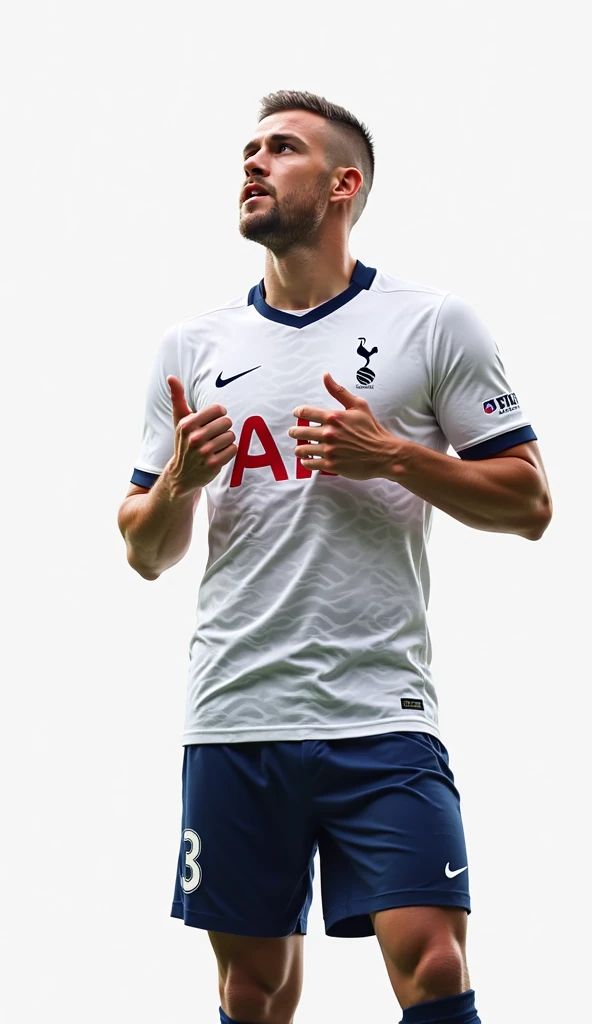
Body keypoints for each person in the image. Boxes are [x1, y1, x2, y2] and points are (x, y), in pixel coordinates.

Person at [117, 89, 552, 1024]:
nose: (254, 163)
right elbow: (144, 550)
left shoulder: (433, 323)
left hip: (381, 714)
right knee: (253, 987)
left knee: (434, 963)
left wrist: (393, 454)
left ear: (343, 184)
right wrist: (180, 482)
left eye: (282, 149)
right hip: (236, 714)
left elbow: (530, 503)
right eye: (249, 149)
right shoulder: (192, 347)